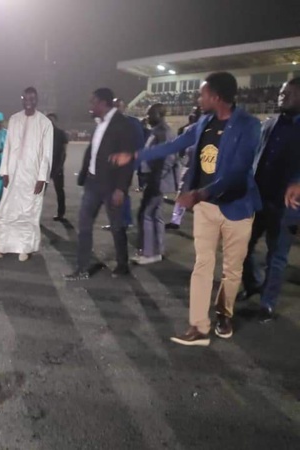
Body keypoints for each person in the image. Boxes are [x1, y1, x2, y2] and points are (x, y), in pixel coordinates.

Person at [110, 72, 261, 346]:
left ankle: (224, 313)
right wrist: (135, 156)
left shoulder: (248, 125)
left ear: (216, 96)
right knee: (202, 265)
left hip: (237, 207)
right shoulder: (204, 122)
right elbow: (173, 145)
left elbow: (238, 172)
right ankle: (198, 327)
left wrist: (200, 193)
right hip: (205, 208)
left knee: (232, 270)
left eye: (202, 94)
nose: (198, 98)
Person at [238, 77, 300, 322]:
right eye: (281, 92)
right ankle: (253, 283)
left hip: (287, 204)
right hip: (257, 198)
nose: (281, 96)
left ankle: (267, 303)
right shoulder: (270, 123)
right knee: (242, 246)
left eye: (288, 93)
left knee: (277, 256)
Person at [64, 88, 136, 281]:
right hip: (92, 183)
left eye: (93, 102)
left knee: (117, 227)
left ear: (103, 103)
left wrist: (121, 189)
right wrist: (85, 174)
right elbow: (92, 152)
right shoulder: (99, 124)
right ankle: (82, 268)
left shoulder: (122, 124)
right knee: (84, 225)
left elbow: (127, 159)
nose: (90, 106)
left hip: (112, 186)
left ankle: (122, 265)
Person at [0, 87, 53, 262]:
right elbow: (8, 147)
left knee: (28, 213)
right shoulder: (14, 119)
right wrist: (4, 171)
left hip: (32, 176)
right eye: (26, 98)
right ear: (22, 99)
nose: (29, 102)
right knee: (7, 211)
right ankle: (1, 248)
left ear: (37, 100)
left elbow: (47, 154)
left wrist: (42, 178)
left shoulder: (45, 123)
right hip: (13, 175)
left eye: (32, 98)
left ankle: (25, 248)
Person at [132, 103, 176, 265]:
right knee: (155, 215)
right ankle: (158, 251)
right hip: (155, 179)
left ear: (159, 114)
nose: (147, 117)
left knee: (146, 214)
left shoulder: (164, 132)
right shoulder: (157, 131)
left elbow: (169, 157)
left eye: (150, 114)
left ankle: (149, 253)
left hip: (157, 180)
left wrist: (157, 178)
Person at [101, 98, 145, 230]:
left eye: (117, 106)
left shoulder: (132, 122)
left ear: (123, 108)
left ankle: (125, 220)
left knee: (122, 191)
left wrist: (134, 161)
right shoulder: (107, 122)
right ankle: (117, 221)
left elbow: (139, 142)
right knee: (110, 192)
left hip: (125, 163)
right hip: (110, 163)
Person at [166, 106, 202, 230]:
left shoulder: (206, 128)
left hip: (201, 167)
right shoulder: (190, 129)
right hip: (193, 167)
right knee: (183, 193)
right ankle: (175, 221)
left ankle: (176, 221)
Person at [47, 113, 69, 221]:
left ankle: (61, 213)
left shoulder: (61, 133)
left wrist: (60, 166)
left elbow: (64, 152)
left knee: (59, 190)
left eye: (52, 120)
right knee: (39, 192)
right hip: (45, 167)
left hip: (57, 166)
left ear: (55, 121)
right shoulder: (43, 133)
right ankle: (34, 213)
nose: (50, 122)